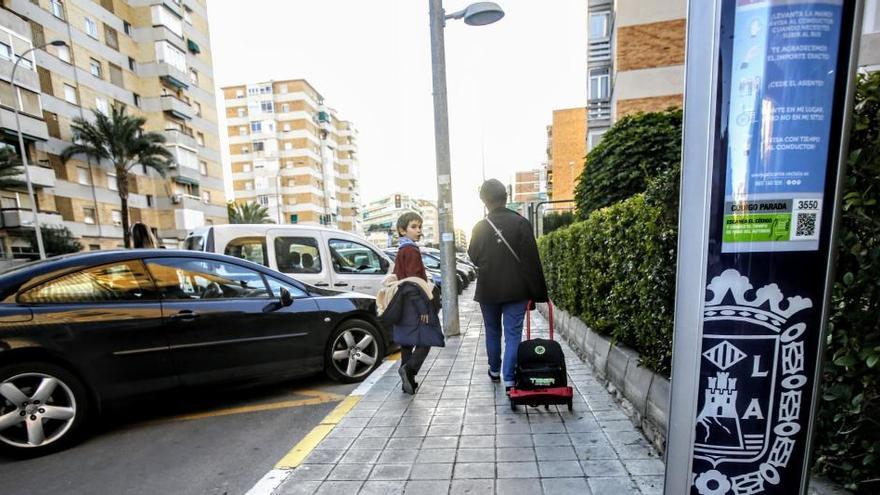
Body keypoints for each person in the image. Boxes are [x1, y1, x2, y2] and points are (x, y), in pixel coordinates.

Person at [468, 179, 548, 392]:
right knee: (513, 334)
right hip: (517, 290)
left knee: (492, 332)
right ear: (506, 197)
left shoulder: (480, 226)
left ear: (484, 201)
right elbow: (532, 261)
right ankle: (510, 379)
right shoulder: (521, 223)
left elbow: (472, 255)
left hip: (488, 290)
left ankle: (494, 371)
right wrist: (538, 293)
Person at [378, 211, 443, 394]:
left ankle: (408, 383)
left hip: (403, 303)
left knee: (407, 343)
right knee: (428, 338)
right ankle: (409, 369)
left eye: (420, 227)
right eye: (414, 227)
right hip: (414, 303)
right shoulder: (411, 250)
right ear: (402, 230)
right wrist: (423, 307)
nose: (418, 230)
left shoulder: (402, 249)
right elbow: (414, 282)